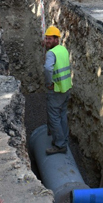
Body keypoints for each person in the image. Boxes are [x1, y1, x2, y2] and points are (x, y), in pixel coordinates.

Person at [43, 26, 72, 155]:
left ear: (56, 40)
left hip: (56, 90)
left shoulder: (51, 53)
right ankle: (64, 140)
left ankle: (60, 145)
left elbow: (48, 69)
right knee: (62, 116)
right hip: (66, 88)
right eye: (46, 38)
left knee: (54, 117)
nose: (47, 41)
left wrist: (49, 83)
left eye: (50, 39)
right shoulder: (63, 49)